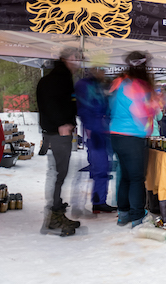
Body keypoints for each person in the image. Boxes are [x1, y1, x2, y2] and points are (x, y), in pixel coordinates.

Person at [37, 47, 83, 236]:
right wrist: (61, 125)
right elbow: (50, 104)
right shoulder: (58, 79)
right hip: (57, 133)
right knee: (58, 173)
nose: (79, 62)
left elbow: (65, 103)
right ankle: (53, 218)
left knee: (59, 173)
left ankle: (56, 212)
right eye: (77, 58)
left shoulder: (60, 78)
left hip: (57, 131)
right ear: (67, 58)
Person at [109, 51, 157, 227]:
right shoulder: (136, 85)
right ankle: (137, 216)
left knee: (126, 176)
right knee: (137, 178)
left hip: (116, 135)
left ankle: (123, 214)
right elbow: (140, 112)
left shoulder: (119, 82)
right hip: (132, 136)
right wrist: (152, 111)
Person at [75, 65, 117, 214]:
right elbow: (84, 108)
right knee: (100, 166)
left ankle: (100, 200)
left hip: (103, 129)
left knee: (104, 166)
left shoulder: (100, 84)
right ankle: (98, 201)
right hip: (94, 130)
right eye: (101, 69)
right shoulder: (84, 85)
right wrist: (90, 128)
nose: (104, 72)